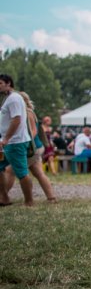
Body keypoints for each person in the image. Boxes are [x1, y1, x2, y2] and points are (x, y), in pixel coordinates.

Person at [6, 92, 56, 203]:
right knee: (38, 173)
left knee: (10, 171)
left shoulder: (27, 113)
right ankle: (51, 198)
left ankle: (3, 197)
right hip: (35, 147)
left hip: (31, 148)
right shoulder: (26, 112)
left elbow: (33, 131)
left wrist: (25, 142)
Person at [0, 75, 35, 207]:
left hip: (15, 142)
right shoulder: (9, 98)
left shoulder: (13, 99)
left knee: (21, 173)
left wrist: (6, 138)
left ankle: (29, 201)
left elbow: (16, 119)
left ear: (8, 83)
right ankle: (4, 197)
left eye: (0, 83)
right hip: (7, 142)